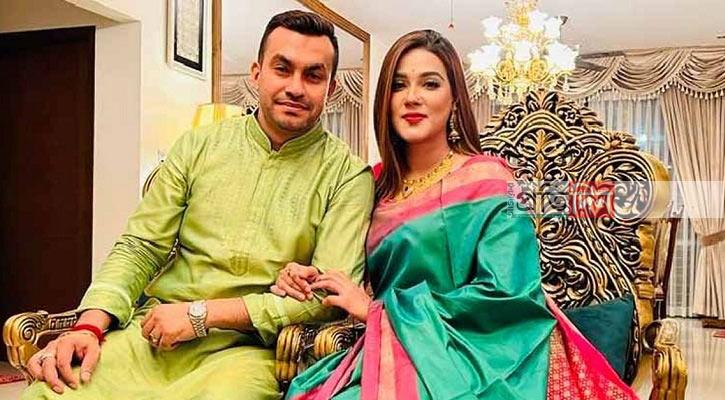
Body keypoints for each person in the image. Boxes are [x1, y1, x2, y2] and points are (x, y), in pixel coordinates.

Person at [22, 10, 374, 400]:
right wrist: (89, 326)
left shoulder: (347, 175)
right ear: (256, 73)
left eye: (313, 75)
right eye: (282, 68)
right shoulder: (199, 145)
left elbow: (327, 297)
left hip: (247, 353)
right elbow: (141, 246)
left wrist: (202, 315)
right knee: (49, 392)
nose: (295, 87)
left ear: (331, 87)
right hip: (154, 333)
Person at [277, 30, 638, 399]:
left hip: (482, 355)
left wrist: (376, 310)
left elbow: (509, 293)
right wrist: (309, 276)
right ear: (385, 100)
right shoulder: (373, 185)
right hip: (390, 349)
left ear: (454, 100)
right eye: (399, 85)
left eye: (430, 83)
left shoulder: (492, 180)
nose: (412, 97)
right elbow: (351, 269)